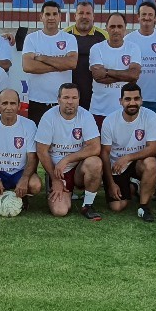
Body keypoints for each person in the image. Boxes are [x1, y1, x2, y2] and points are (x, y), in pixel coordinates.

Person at [35, 83, 103, 220]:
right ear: (58, 99)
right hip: (57, 172)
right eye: (66, 97)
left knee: (95, 162)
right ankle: (58, 187)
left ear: (79, 99)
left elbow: (95, 147)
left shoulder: (86, 116)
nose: (70, 102)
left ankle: (88, 205)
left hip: (78, 169)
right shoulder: (49, 117)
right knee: (60, 211)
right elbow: (41, 151)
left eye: (74, 98)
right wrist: (55, 179)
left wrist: (67, 159)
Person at [100, 82, 156, 221]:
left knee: (151, 163)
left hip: (138, 163)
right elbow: (104, 154)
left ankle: (144, 207)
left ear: (141, 100)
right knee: (117, 206)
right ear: (120, 101)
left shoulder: (150, 116)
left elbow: (153, 148)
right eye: (127, 99)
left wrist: (128, 157)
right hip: (117, 166)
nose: (132, 103)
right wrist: (111, 184)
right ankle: (134, 186)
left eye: (136, 99)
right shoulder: (110, 121)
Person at [0, 88, 42, 208]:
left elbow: (32, 157)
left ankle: (22, 195)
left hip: (19, 172)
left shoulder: (29, 125)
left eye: (13, 103)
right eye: (5, 103)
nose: (9, 107)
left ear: (19, 105)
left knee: (35, 185)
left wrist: (25, 178)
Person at [22, 0, 79, 123]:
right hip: (37, 101)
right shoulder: (31, 38)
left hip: (63, 101)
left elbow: (71, 63)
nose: (51, 18)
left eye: (54, 14)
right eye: (47, 14)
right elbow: (28, 66)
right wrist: (60, 65)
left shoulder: (69, 38)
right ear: (41, 17)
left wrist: (43, 58)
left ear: (60, 17)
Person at [88, 13, 141, 128]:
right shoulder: (96, 48)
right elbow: (98, 77)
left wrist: (107, 72)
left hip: (125, 111)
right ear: (106, 28)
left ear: (125, 28)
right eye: (112, 26)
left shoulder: (133, 48)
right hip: (99, 110)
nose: (116, 30)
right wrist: (126, 76)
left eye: (119, 26)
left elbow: (134, 75)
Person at [124, 0, 156, 118]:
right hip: (133, 97)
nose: (147, 17)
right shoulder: (128, 39)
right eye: (143, 14)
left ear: (155, 18)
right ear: (138, 17)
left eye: (150, 15)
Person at [66, 0, 107, 111]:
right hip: (70, 93)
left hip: (96, 92)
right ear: (75, 16)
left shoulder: (104, 36)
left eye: (88, 13)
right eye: (81, 13)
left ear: (93, 16)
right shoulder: (65, 35)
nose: (84, 16)